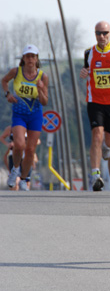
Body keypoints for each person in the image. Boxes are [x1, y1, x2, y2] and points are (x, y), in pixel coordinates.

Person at [80, 21, 110, 191]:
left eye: (104, 33)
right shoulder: (89, 52)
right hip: (95, 101)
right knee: (97, 135)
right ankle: (95, 175)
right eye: (98, 33)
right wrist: (84, 72)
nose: (101, 36)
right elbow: (86, 70)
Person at [1, 44, 49, 191]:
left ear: (36, 59)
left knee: (30, 150)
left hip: (35, 115)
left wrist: (40, 89)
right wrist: (8, 94)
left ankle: (23, 179)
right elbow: (4, 81)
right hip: (19, 114)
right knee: (19, 145)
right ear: (23, 58)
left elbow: (45, 101)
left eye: (33, 56)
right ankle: (15, 170)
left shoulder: (43, 76)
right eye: (27, 56)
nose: (30, 59)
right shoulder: (16, 72)